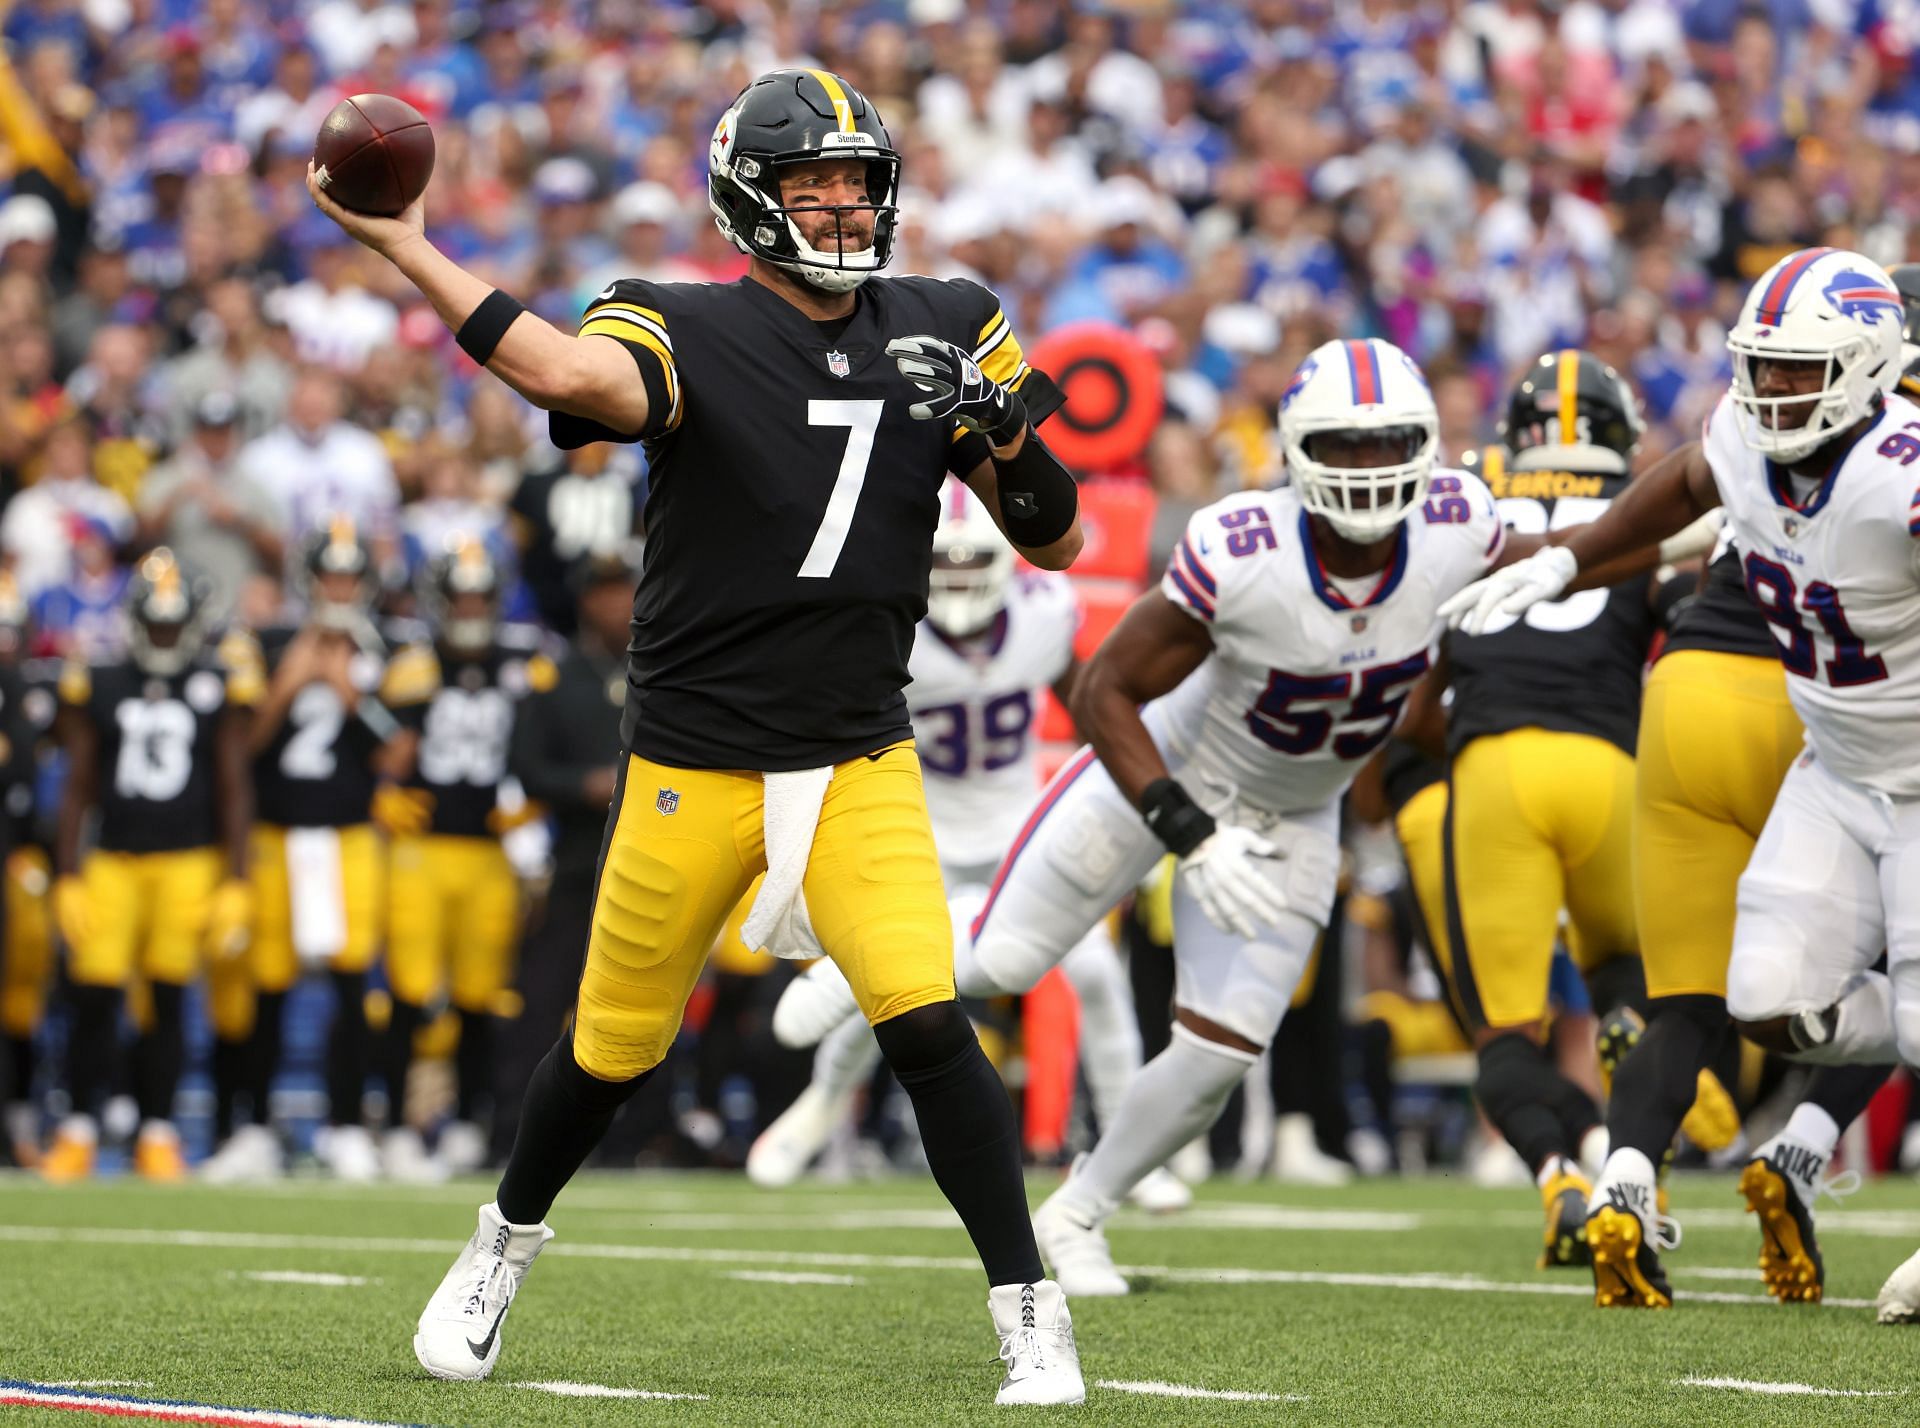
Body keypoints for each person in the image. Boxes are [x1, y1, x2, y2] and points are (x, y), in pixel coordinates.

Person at [306, 66, 1088, 1405]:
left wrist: (1005, 436)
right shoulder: (676, 318)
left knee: (925, 1021)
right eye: (813, 187)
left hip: (857, 749)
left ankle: (1030, 1306)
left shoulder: (956, 318)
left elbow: (1055, 535)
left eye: (857, 185)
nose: (843, 209)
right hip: (696, 753)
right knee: (612, 1044)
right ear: (750, 201)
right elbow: (564, 375)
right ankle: (502, 1242)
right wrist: (405, 245)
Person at [773, 336, 1659, 1296]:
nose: (1366, 470)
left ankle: (1076, 1215)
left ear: (1427, 446)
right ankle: (865, 962)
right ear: (1292, 448)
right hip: (1160, 775)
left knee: (1218, 1056)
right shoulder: (1243, 548)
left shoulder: (1459, 526)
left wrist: (1695, 521)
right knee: (1006, 962)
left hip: (1294, 814)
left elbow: (1586, 552)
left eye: (1386, 444)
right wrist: (1187, 827)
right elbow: (1108, 690)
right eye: (1342, 447)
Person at [1444, 246, 1920, 1310]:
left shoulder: (1904, 466)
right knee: (1757, 998)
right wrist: (1568, 559)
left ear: (1873, 362)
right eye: (1766, 365)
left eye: (1802, 369)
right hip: (1831, 764)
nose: (1775, 389)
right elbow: (1686, 483)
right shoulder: (1748, 440)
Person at [756, 482, 1190, 1214]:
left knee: (1094, 973)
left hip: (1020, 833)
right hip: (920, 831)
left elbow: (1091, 703)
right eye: (943, 566)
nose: (956, 580)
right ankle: (822, 1104)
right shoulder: (900, 632)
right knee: (890, 986)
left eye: (970, 565)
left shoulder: (1044, 619)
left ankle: (1126, 1151)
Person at [1433, 351, 1705, 1268]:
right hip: (1610, 764)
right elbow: (1689, 617)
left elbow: (1422, 643)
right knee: (1630, 983)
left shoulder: (1471, 490)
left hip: (1495, 766)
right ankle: (1632, 1167)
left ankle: (1559, 1180)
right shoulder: (1643, 493)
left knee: (1507, 1028)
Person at [40, 549, 256, 1181]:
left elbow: (233, 786)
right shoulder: (101, 679)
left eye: (172, 625)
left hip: (188, 859)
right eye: (155, 625)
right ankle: (79, 1127)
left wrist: (237, 877)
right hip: (113, 859)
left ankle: (157, 1131)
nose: (163, 636)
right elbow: (78, 784)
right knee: (94, 995)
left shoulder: (216, 682)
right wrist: (68, 872)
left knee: (167, 997)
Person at [201, 521, 402, 1184]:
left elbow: (400, 751)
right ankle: (254, 1127)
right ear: (310, 581)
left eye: (349, 577)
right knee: (268, 983)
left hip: (346, 836)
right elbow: (240, 746)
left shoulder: (383, 647)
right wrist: (290, 683)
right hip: (276, 835)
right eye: (329, 577)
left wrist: (350, 693)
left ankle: (346, 1126)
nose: (339, 589)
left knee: (350, 982)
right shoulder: (268, 641)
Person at [376, 539, 546, 1181]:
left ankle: (471, 1126)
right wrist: (385, 795)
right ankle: (396, 1126)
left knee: (480, 997)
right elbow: (376, 749)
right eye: (461, 597)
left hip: (492, 853)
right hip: (424, 849)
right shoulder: (416, 666)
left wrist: (535, 808)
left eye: (480, 596)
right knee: (410, 990)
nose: (471, 608)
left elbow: (543, 743)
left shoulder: (524, 665)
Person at [494, 543, 637, 1163]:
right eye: (603, 591)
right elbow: (524, 767)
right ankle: (507, 1134)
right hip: (577, 863)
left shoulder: (656, 667)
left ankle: (631, 1140)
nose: (617, 603)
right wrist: (586, 785)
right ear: (584, 600)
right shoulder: (553, 674)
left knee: (633, 1010)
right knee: (542, 1004)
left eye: (624, 589)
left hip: (642, 867)